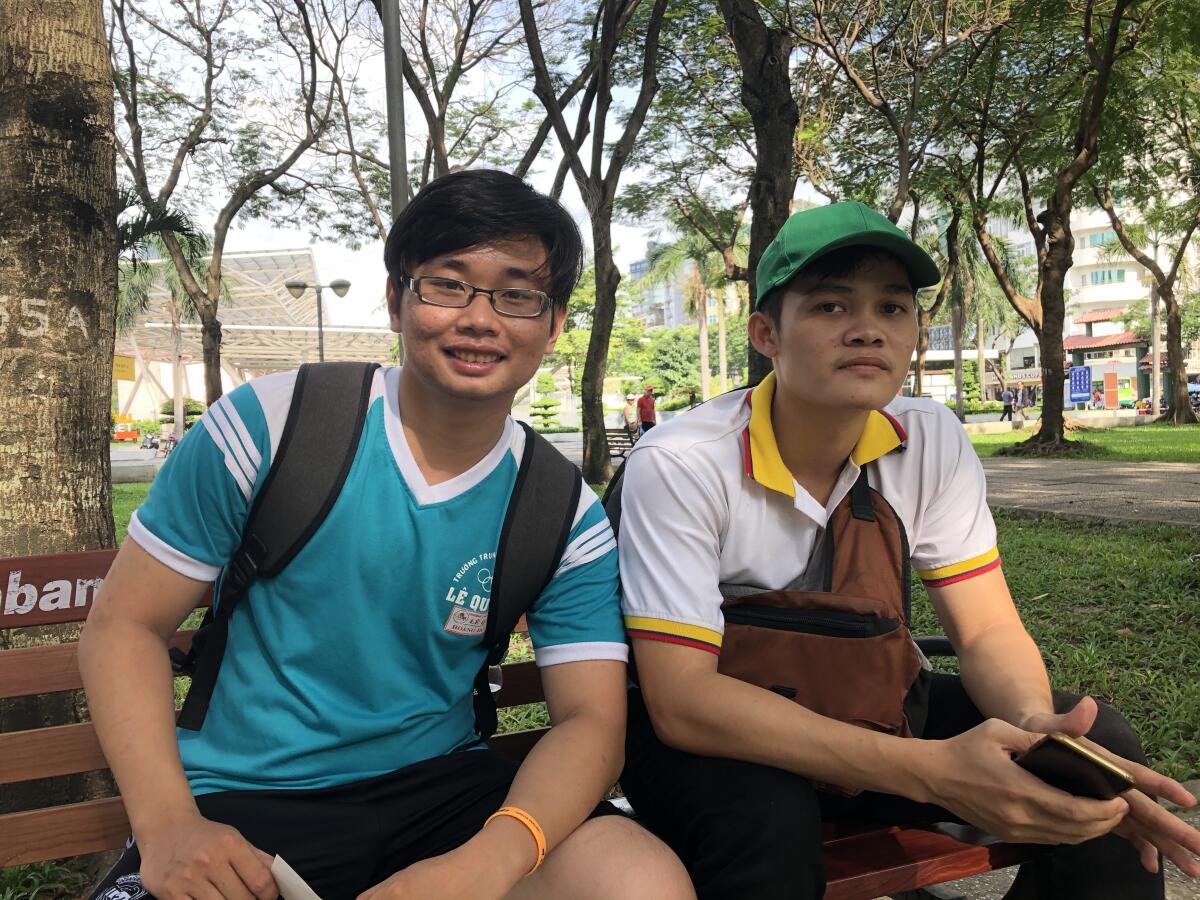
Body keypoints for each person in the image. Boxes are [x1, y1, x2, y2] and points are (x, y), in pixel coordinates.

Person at [80, 170, 693, 900]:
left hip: (444, 792)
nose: (479, 318)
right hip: (244, 801)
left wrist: (484, 864)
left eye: (517, 295)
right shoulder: (271, 428)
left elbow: (591, 720)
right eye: (448, 284)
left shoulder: (562, 512)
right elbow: (124, 625)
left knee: (638, 883)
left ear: (553, 323)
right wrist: (168, 827)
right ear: (400, 297)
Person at [616, 200, 1200, 899]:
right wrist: (927, 768)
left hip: (872, 705)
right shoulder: (682, 463)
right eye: (831, 307)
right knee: (766, 823)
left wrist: (1034, 726)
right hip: (717, 742)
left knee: (1091, 749)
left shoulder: (928, 438)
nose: (866, 328)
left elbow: (984, 627)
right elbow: (684, 701)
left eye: (892, 308)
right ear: (766, 333)